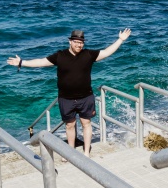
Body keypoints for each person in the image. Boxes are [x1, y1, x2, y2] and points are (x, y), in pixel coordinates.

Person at [7, 28, 131, 160]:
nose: (79, 45)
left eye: (81, 42)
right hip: (66, 99)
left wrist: (120, 40)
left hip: (86, 97)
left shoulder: (88, 55)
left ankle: (86, 153)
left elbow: (106, 52)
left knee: (86, 123)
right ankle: (71, 152)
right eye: (76, 42)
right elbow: (41, 62)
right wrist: (22, 62)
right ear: (70, 42)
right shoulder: (60, 56)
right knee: (69, 125)